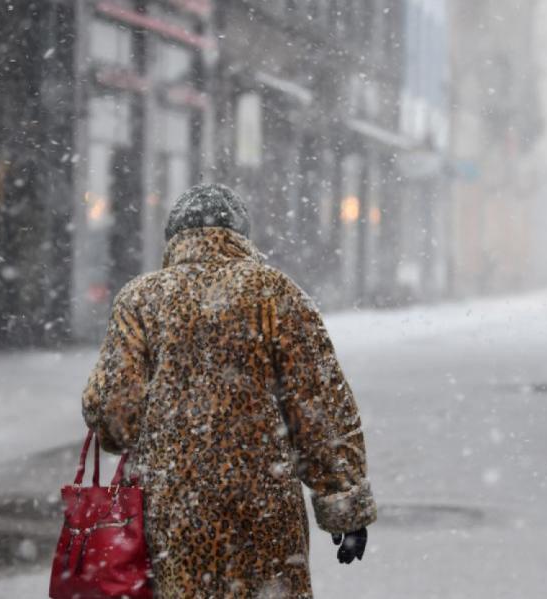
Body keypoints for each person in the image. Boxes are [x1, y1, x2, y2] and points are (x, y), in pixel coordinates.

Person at [82, 183, 376, 599]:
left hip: (173, 506)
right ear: (241, 235)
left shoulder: (141, 300)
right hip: (265, 506)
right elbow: (319, 406)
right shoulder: (277, 293)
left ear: (174, 237)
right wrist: (343, 501)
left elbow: (115, 420)